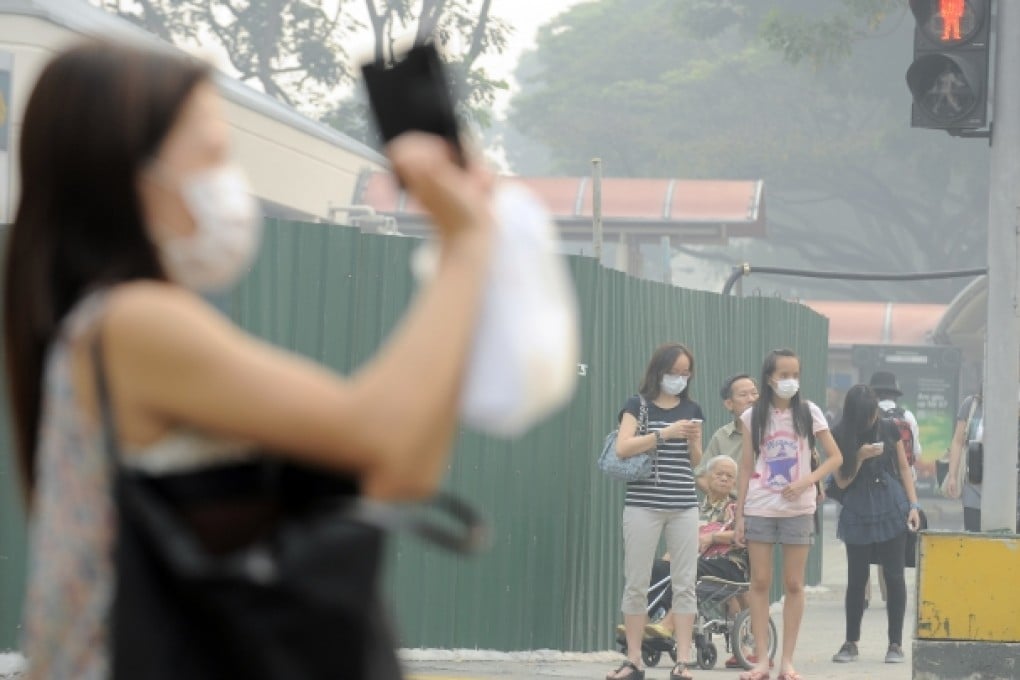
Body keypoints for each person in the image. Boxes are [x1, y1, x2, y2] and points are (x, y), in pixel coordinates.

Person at [5, 42, 495, 679]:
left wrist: (464, 252)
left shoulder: (120, 323)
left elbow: (400, 471)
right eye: (212, 152)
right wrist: (467, 244)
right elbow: (378, 435)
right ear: (130, 171)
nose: (230, 180)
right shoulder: (135, 321)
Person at [734, 348, 843, 680]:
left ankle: (787, 662)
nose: (790, 381)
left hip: (798, 508)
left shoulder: (809, 412)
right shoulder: (754, 415)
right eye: (783, 375)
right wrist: (739, 515)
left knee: (794, 583)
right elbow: (747, 465)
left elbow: (834, 457)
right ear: (769, 378)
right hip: (760, 505)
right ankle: (762, 660)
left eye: (794, 375)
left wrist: (807, 481)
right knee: (760, 582)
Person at [607, 343, 704, 680]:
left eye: (685, 373)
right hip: (643, 504)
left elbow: (696, 462)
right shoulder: (637, 405)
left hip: (684, 505)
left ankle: (683, 660)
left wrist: (691, 440)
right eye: (673, 372)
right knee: (636, 581)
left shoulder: (692, 407)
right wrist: (665, 434)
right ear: (658, 372)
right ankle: (633, 659)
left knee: (685, 582)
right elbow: (623, 447)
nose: (679, 378)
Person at [828, 385, 921, 666]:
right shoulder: (839, 434)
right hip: (857, 509)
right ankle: (851, 641)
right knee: (857, 579)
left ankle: (895, 643)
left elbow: (904, 468)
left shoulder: (890, 428)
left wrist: (914, 506)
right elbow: (841, 482)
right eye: (866, 416)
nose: (871, 421)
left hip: (891, 506)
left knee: (894, 577)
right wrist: (858, 457)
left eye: (873, 414)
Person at [696, 456, 752, 668]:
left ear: (734, 483)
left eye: (729, 477)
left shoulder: (736, 508)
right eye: (719, 474)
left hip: (729, 561)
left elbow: (743, 536)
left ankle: (744, 645)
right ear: (707, 478)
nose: (723, 479)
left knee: (730, 589)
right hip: (703, 559)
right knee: (664, 569)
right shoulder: (697, 507)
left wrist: (712, 537)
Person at [695, 374, 758, 492]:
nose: (751, 399)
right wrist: (724, 502)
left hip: (770, 506)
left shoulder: (774, 430)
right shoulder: (722, 436)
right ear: (729, 404)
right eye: (743, 395)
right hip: (733, 506)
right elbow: (701, 476)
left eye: (754, 393)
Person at [944, 393, 982, 531]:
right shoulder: (971, 404)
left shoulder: (1010, 402)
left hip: (1002, 488)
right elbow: (958, 441)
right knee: (973, 533)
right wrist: (952, 476)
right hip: (973, 481)